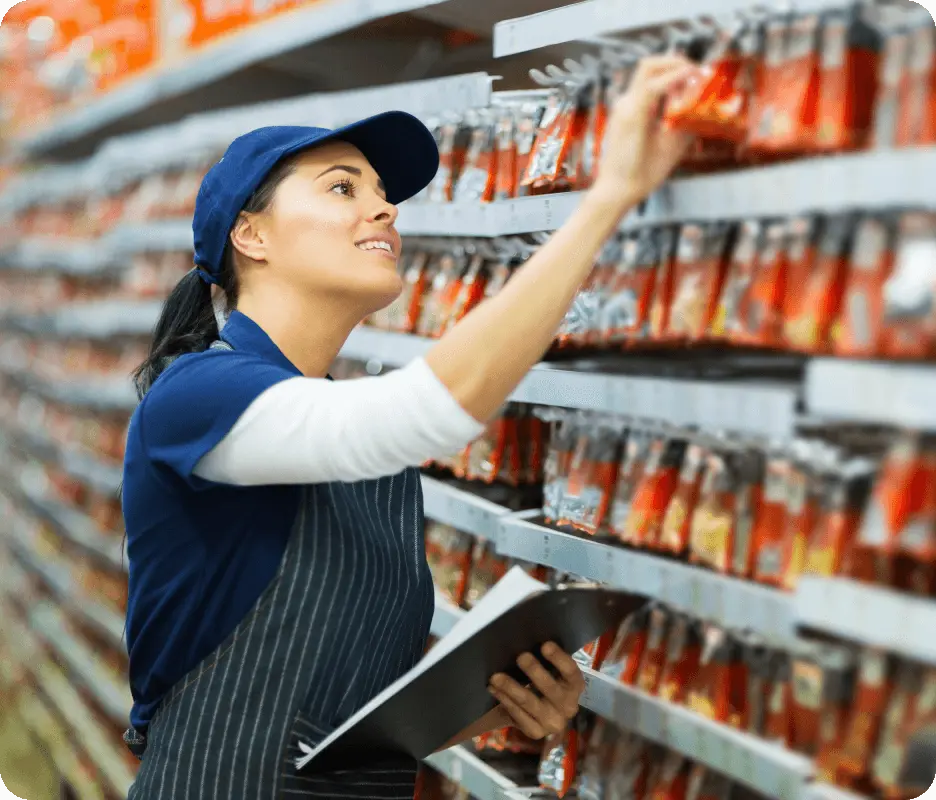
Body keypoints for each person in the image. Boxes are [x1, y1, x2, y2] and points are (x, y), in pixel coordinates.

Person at [120, 54, 698, 799]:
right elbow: (424, 410)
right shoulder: (198, 396)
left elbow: (344, 733)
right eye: (342, 187)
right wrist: (607, 198)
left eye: (384, 194)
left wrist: (494, 703)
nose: (385, 209)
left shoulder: (374, 470)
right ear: (251, 236)